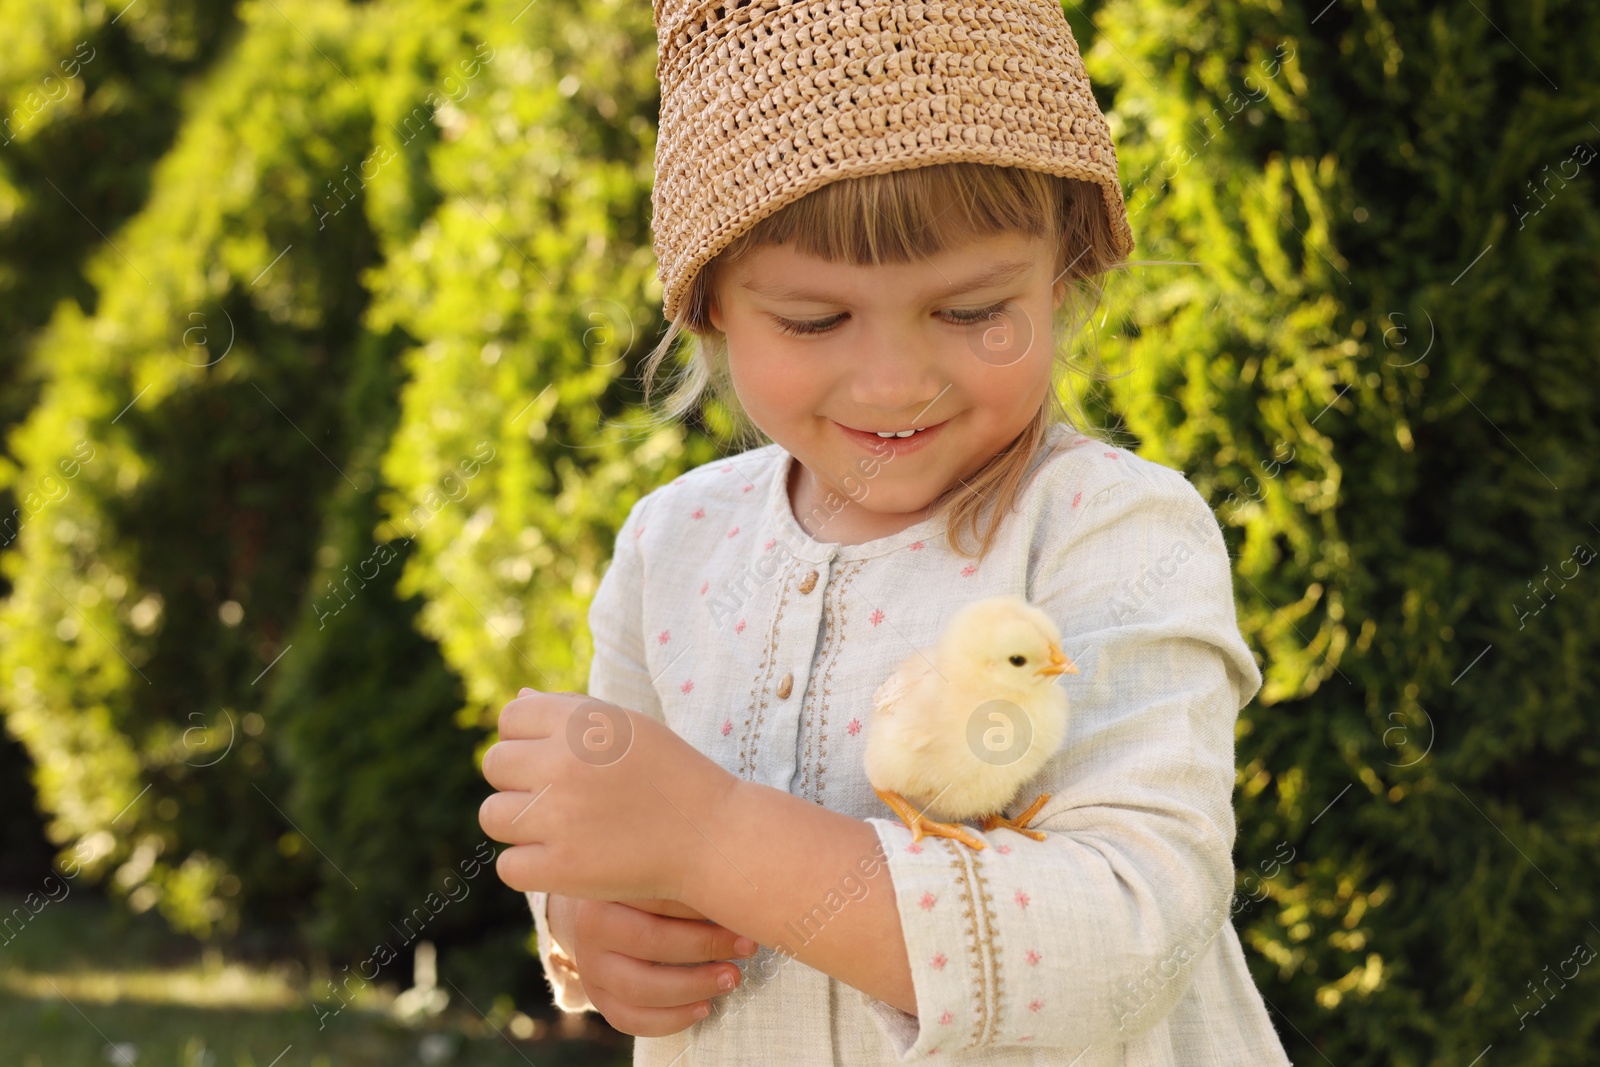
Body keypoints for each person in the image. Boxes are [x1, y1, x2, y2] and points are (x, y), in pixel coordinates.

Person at [478, 1, 1295, 1063]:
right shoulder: (673, 546)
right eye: (813, 320)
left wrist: (720, 836)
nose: (895, 380)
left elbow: (1135, 929)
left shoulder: (1112, 536)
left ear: (1067, 269)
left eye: (969, 311)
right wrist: (597, 929)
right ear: (710, 302)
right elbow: (616, 850)